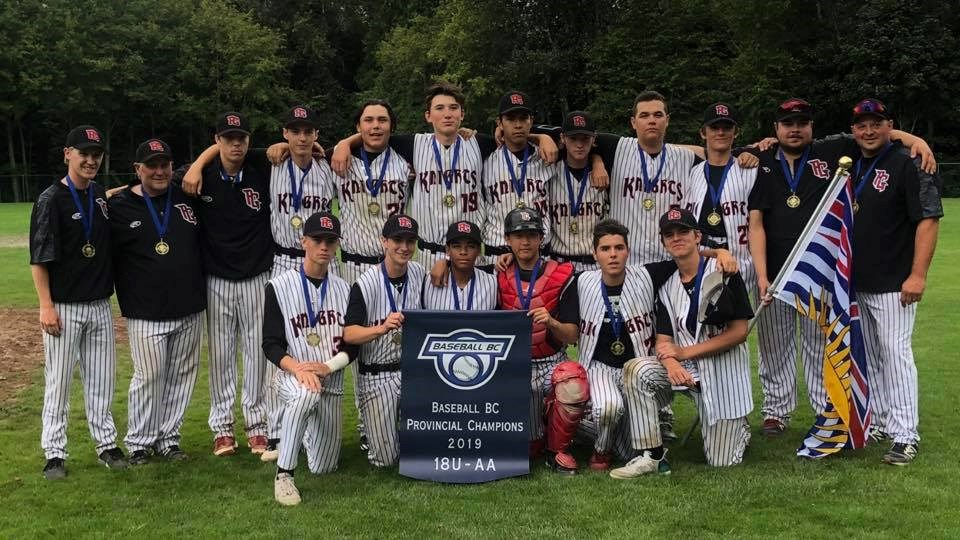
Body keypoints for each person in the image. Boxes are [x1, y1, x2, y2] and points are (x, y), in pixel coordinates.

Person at [748, 98, 938, 436]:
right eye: (787, 123)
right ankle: (776, 412)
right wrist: (762, 276)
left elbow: (881, 134)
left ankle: (829, 412)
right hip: (778, 273)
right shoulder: (763, 158)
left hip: (821, 272)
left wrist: (916, 141)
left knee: (821, 347)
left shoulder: (832, 149)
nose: (795, 128)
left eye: (802, 122)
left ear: (812, 127)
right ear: (775, 130)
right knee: (775, 348)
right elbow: (755, 219)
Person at [550, 219, 738, 471]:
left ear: (628, 250)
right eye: (605, 249)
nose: (613, 254)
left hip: (638, 369)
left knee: (630, 449)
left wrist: (720, 252)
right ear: (594, 254)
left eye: (619, 247)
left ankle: (618, 435)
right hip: (600, 368)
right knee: (608, 410)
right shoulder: (581, 282)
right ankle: (600, 451)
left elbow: (687, 255)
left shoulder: (648, 274)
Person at [615, 207, 754, 476]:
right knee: (637, 370)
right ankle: (651, 454)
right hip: (685, 369)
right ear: (663, 241)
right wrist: (670, 364)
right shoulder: (667, 286)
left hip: (723, 370)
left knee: (721, 462)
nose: (676, 237)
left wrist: (684, 353)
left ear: (697, 236)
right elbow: (663, 341)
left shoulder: (724, 270)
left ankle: (741, 428)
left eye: (683, 231)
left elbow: (739, 332)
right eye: (670, 234)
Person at [846, 98, 942, 465]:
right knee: (871, 356)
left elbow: (929, 219)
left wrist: (918, 275)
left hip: (894, 281)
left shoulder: (909, 162)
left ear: (891, 126)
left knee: (896, 354)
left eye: (876, 123)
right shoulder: (853, 162)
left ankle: (905, 435)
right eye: (861, 125)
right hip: (860, 280)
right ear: (854, 130)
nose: (868, 131)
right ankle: (883, 422)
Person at [29, 125, 127, 479]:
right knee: (58, 381)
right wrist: (46, 305)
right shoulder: (50, 199)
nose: (90, 160)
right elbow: (39, 258)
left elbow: (107, 198)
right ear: (67, 154)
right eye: (83, 153)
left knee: (101, 381)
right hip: (65, 306)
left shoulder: (99, 194)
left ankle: (106, 445)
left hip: (99, 304)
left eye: (96, 155)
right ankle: (54, 453)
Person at [181, 112, 274, 456]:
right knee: (221, 354)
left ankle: (257, 425)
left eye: (242, 138)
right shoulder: (200, 176)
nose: (236, 143)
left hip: (256, 275)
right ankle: (222, 428)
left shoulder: (261, 168)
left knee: (257, 353)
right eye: (228, 137)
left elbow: (283, 148)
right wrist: (194, 165)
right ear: (216, 140)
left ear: (248, 141)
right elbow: (153, 184)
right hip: (216, 277)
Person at [108, 139, 204, 464]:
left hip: (190, 305)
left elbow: (223, 153)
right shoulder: (118, 205)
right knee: (148, 376)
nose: (159, 171)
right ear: (138, 170)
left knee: (182, 374)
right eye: (152, 165)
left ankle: (169, 438)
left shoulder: (186, 195)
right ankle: (139, 441)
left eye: (164, 164)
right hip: (145, 310)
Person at [591, 91, 757, 266]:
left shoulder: (685, 158)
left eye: (658, 115)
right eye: (644, 115)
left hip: (672, 262)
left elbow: (719, 151)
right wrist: (597, 160)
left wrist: (750, 152)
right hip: (627, 261)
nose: (652, 120)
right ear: (633, 122)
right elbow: (575, 140)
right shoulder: (615, 148)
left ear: (667, 120)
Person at [262, 212, 357, 505]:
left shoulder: (344, 289)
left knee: (323, 466)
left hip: (330, 383)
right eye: (317, 240)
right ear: (304, 241)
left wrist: (327, 367)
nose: (324, 247)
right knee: (304, 395)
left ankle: (295, 434)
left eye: (330, 241)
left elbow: (352, 347)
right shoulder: (278, 285)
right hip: (292, 377)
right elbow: (271, 344)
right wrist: (298, 369)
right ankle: (284, 475)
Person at [495, 207, 587, 474]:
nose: (525, 242)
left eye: (532, 235)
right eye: (519, 235)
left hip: (551, 361)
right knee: (528, 446)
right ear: (507, 239)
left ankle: (558, 450)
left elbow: (572, 335)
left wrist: (552, 322)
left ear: (541, 238)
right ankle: (533, 439)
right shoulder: (497, 275)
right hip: (515, 363)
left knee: (573, 380)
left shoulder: (562, 275)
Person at [343, 214, 426, 466]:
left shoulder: (419, 273)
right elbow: (349, 333)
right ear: (384, 242)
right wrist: (380, 328)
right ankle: (374, 429)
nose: (404, 247)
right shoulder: (365, 283)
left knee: (424, 449)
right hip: (377, 376)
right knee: (386, 460)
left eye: (410, 241)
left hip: (412, 374)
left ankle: (392, 429)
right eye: (397, 240)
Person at [481, 91, 558, 267]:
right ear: (499, 123)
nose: (518, 125)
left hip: (539, 256)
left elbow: (581, 139)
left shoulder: (547, 154)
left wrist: (541, 136)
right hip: (497, 256)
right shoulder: (485, 157)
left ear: (531, 120)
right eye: (510, 119)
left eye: (523, 118)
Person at [545, 111, 609, 272]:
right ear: (562, 138)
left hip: (595, 265)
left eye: (585, 139)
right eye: (573, 139)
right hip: (557, 264)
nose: (579, 144)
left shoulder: (607, 171)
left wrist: (598, 161)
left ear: (594, 139)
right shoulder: (549, 173)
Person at [421, 220, 498, 310]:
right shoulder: (428, 281)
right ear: (447, 250)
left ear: (479, 250)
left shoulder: (493, 282)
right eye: (457, 246)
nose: (463, 252)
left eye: (470, 246)